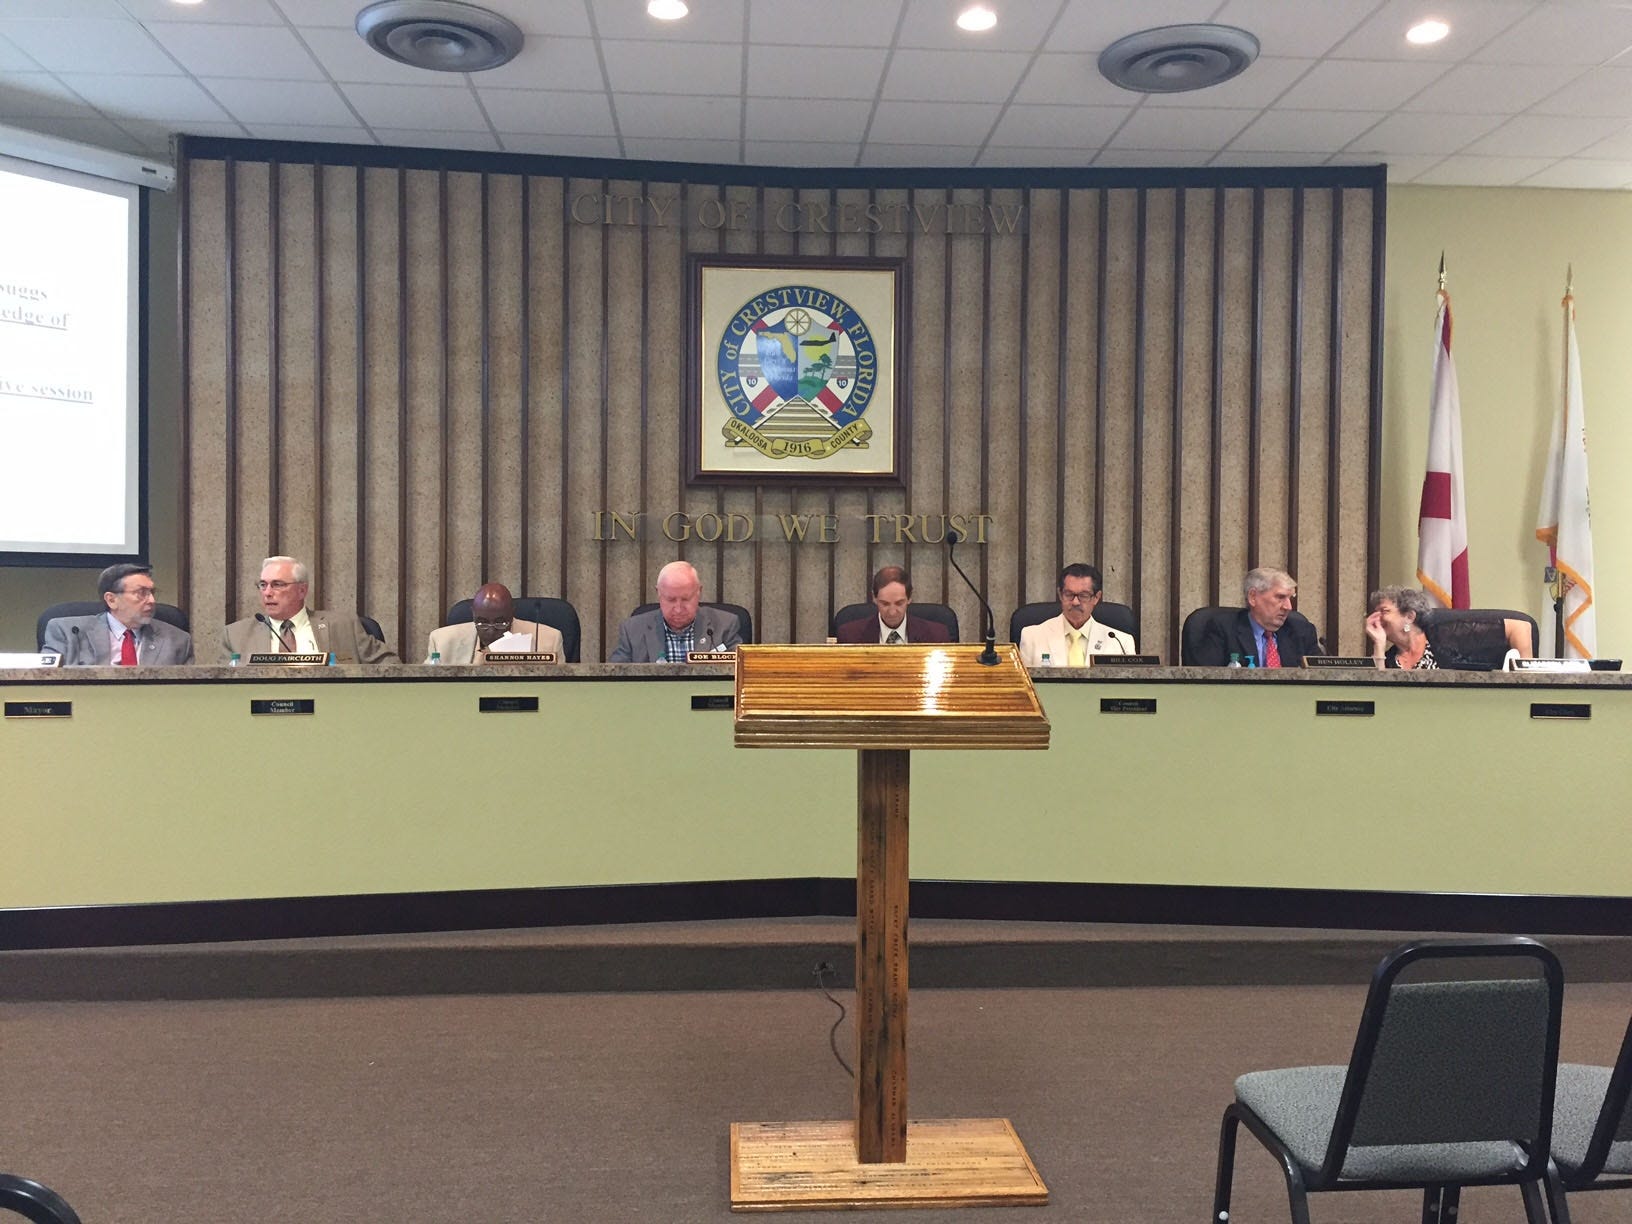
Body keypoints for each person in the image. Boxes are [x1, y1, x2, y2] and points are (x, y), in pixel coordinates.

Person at [221, 556, 398, 663]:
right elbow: (220, 688)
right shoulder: (236, 635)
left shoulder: (344, 626)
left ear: (302, 590)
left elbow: (391, 668)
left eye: (277, 584)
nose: (267, 593)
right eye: (263, 585)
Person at [42, 563, 194, 666]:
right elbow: (46, 680)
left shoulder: (178, 640)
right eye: (141, 593)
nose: (152, 600)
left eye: (152, 592)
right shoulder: (67, 632)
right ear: (112, 600)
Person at [1365, 586, 1534, 670]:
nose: (1377, 618)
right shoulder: (1390, 659)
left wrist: (1524, 679)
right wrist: (1379, 646)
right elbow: (1380, 695)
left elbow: (1520, 627)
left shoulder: (1448, 634)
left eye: (1384, 611)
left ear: (1409, 616)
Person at [609, 560, 742, 662]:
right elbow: (615, 679)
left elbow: (741, 672)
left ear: (699, 592)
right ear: (659, 593)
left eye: (686, 599)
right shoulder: (632, 630)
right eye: (671, 600)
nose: (678, 609)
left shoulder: (725, 626)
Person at [1193, 566, 1321, 667]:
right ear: (1253, 597)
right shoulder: (1223, 629)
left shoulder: (1301, 631)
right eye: (1280, 597)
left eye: (1290, 598)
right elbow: (1207, 680)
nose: (1288, 607)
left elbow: (1322, 676)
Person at [1017, 563, 1135, 665]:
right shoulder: (1032, 637)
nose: (1075, 602)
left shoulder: (1120, 642)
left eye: (1083, 595)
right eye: (1069, 594)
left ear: (1096, 597)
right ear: (1060, 595)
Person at [424, 583, 563, 663]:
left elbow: (558, 691)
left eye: (500, 623)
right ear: (473, 614)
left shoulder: (549, 640)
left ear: (512, 614)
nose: (491, 631)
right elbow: (429, 689)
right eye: (482, 623)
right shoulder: (441, 642)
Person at [834, 565, 951, 644]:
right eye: (885, 604)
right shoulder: (850, 636)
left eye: (899, 603)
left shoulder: (937, 635)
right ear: (874, 598)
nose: (892, 612)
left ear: (909, 598)